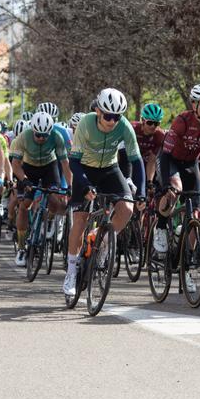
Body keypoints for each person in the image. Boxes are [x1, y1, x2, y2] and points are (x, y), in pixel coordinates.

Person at [63, 88, 145, 297]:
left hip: (110, 169)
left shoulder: (124, 126)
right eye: (108, 116)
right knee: (80, 220)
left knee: (127, 208)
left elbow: (136, 160)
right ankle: (71, 272)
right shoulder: (86, 123)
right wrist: (85, 184)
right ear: (98, 111)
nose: (112, 121)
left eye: (116, 117)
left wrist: (141, 191)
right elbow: (73, 161)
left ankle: (105, 242)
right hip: (85, 169)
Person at [154, 83, 200, 274]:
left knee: (195, 211)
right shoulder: (182, 121)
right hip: (170, 159)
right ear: (194, 105)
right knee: (174, 189)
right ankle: (160, 228)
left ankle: (186, 261)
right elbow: (165, 154)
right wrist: (164, 185)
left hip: (190, 164)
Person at [10, 111, 70, 267]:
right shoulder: (23, 137)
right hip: (29, 169)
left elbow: (65, 164)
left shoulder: (57, 137)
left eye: (45, 135)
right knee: (25, 205)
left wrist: (71, 185)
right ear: (33, 131)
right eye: (38, 135)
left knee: (56, 202)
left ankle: (49, 220)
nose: (42, 139)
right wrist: (24, 180)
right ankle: (22, 248)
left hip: (50, 167)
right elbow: (15, 165)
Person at [133, 103, 165, 185]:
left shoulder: (160, 135)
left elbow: (152, 160)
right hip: (130, 159)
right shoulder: (132, 128)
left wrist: (149, 182)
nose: (153, 126)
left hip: (146, 161)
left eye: (157, 123)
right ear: (142, 120)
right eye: (150, 123)